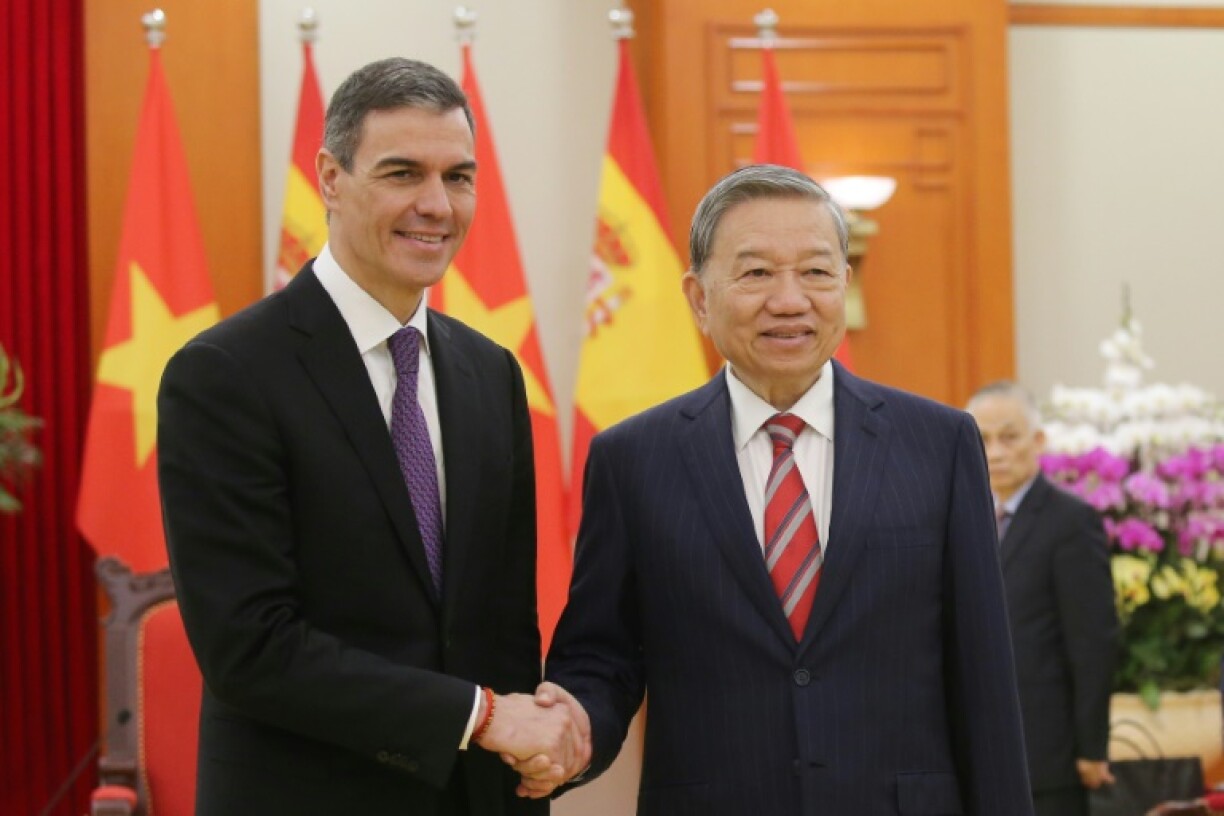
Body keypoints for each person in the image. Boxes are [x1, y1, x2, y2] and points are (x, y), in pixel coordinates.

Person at [533, 164, 1034, 814]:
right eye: (756, 273)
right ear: (698, 296)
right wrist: (567, 729)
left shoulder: (940, 446)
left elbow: (985, 682)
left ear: (844, 286)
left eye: (817, 272)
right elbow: (603, 656)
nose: (791, 300)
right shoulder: (632, 460)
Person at [157, 57, 587, 816]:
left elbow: (504, 627)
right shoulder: (224, 375)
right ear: (329, 177)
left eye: (458, 177)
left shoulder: (492, 375)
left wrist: (531, 752)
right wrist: (481, 717)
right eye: (401, 173)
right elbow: (250, 649)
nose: (436, 205)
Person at [967, 382, 1119, 816]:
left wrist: (1092, 747)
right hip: (976, 749)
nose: (994, 452)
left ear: (1037, 441)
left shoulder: (1070, 522)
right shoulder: (961, 517)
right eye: (982, 439)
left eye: (1008, 437)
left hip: (1047, 755)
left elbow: (1093, 642)